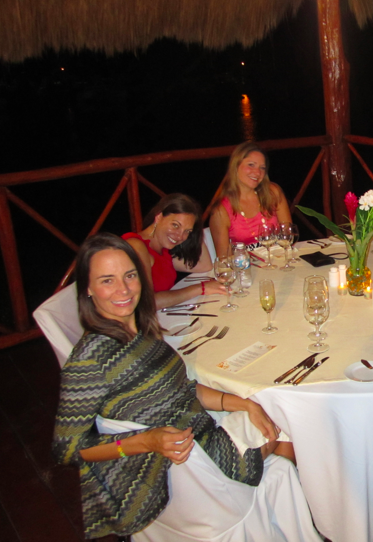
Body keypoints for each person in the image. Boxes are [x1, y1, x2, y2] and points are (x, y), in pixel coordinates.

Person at [52, 233, 298, 539]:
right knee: (289, 419)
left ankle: (269, 510)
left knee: (269, 413)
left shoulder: (138, 332)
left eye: (130, 275)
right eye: (107, 280)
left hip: (200, 435)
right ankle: (260, 512)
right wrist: (147, 441)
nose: (123, 289)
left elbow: (182, 389)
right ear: (88, 289)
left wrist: (245, 404)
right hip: (199, 464)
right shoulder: (90, 359)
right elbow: (67, 448)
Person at [122, 193, 227, 309]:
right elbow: (147, 302)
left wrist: (195, 231)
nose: (180, 236)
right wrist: (200, 288)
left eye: (187, 231)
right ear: (158, 217)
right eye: (175, 225)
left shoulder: (163, 250)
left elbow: (204, 266)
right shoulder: (136, 247)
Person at [209, 141, 293, 257]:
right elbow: (224, 259)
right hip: (245, 266)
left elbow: (288, 236)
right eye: (251, 165)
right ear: (236, 166)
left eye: (262, 168)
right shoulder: (221, 210)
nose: (257, 172)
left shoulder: (272, 193)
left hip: (278, 260)